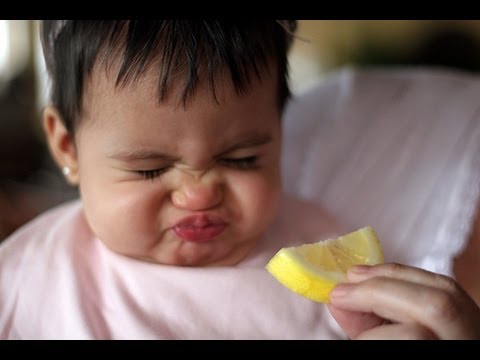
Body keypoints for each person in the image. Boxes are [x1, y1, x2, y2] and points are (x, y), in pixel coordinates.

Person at [0, 20, 479, 340]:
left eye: (243, 158)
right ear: (67, 147)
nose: (200, 192)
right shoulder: (27, 281)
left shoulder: (321, 253)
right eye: (149, 168)